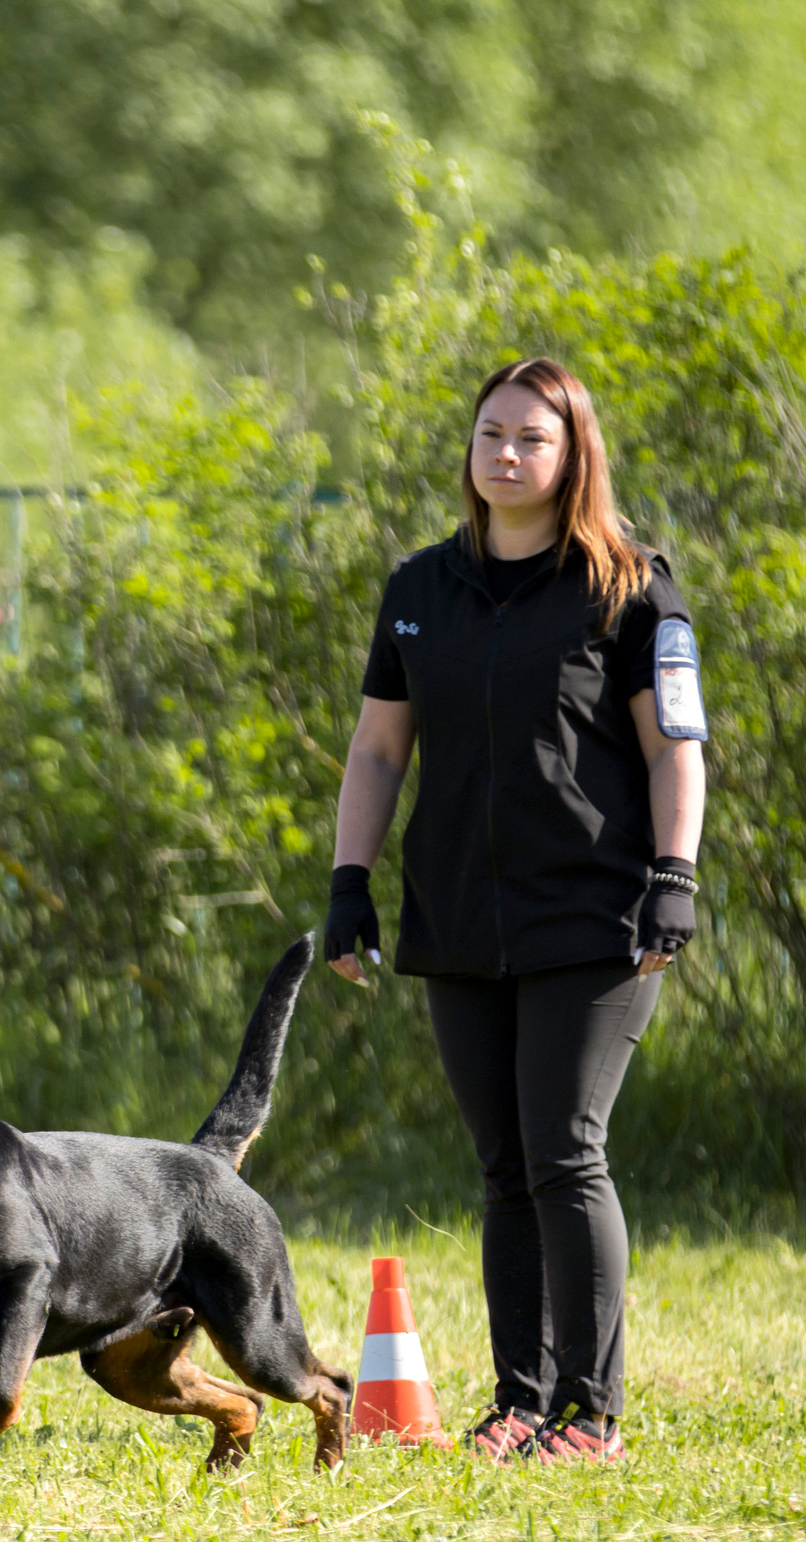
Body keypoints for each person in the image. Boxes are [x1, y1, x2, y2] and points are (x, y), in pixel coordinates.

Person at [322, 356, 706, 1465]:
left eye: (530, 438)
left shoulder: (631, 587)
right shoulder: (419, 589)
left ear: (571, 453)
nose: (504, 454)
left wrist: (672, 876)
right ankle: (517, 1402)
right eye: (490, 434)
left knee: (564, 1153)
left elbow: (673, 747)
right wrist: (351, 881)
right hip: (456, 914)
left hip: (594, 912)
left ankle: (589, 1414)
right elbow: (380, 747)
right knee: (501, 1168)